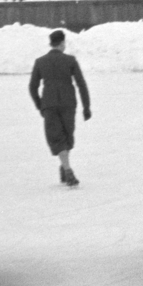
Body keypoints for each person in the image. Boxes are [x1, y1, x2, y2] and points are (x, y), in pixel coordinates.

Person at [28, 29, 92, 187]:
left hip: (49, 105)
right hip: (68, 104)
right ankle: (68, 170)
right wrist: (86, 106)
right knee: (67, 136)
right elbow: (81, 84)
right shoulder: (70, 60)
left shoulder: (40, 61)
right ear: (62, 43)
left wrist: (40, 105)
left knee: (57, 137)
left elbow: (32, 87)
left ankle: (64, 167)